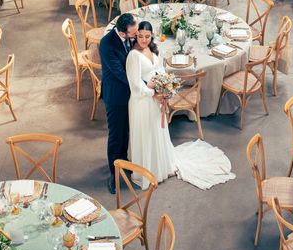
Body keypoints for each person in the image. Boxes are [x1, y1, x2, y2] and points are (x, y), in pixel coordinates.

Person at [126, 21, 236, 190]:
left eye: (147, 36)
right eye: (140, 36)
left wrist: (165, 86)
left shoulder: (153, 50)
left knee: (157, 131)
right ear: (136, 36)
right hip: (142, 102)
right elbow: (134, 86)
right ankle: (146, 170)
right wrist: (153, 93)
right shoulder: (133, 56)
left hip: (156, 99)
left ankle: (160, 165)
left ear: (151, 36)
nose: (143, 40)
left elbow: (160, 70)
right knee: (147, 133)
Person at [99, 13, 138, 194]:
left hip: (127, 94)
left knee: (126, 131)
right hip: (115, 95)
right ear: (122, 32)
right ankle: (113, 175)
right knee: (115, 135)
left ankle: (123, 162)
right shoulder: (107, 44)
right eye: (132, 34)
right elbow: (120, 73)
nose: (135, 35)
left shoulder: (128, 35)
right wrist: (141, 84)